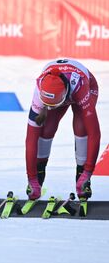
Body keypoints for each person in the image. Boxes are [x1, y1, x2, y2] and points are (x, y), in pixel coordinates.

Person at [25, 58, 100, 201]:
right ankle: (39, 175)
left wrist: (88, 172)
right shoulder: (40, 88)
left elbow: (94, 134)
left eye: (54, 105)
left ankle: (82, 176)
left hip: (85, 86)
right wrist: (32, 178)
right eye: (47, 105)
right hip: (58, 90)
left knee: (81, 127)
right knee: (46, 129)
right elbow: (30, 139)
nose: (51, 108)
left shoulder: (80, 86)